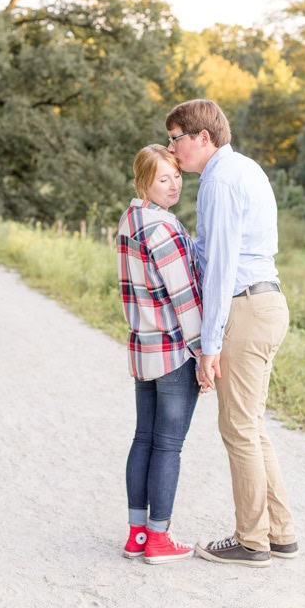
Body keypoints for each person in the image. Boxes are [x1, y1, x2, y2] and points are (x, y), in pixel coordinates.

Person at [165, 99, 298, 568]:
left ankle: (251, 540)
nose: (171, 149)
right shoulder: (245, 168)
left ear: (203, 137)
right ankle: (280, 533)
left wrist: (210, 344)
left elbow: (220, 268)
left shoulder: (219, 181)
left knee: (238, 429)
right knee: (252, 427)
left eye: (176, 138)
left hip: (244, 307)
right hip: (267, 302)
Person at [117, 144, 202, 564]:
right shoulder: (162, 228)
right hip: (173, 350)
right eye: (163, 179)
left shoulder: (130, 220)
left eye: (177, 176)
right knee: (168, 445)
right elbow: (184, 297)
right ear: (143, 183)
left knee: (143, 439)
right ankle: (158, 538)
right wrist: (204, 352)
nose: (174, 186)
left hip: (143, 346)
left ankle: (136, 534)